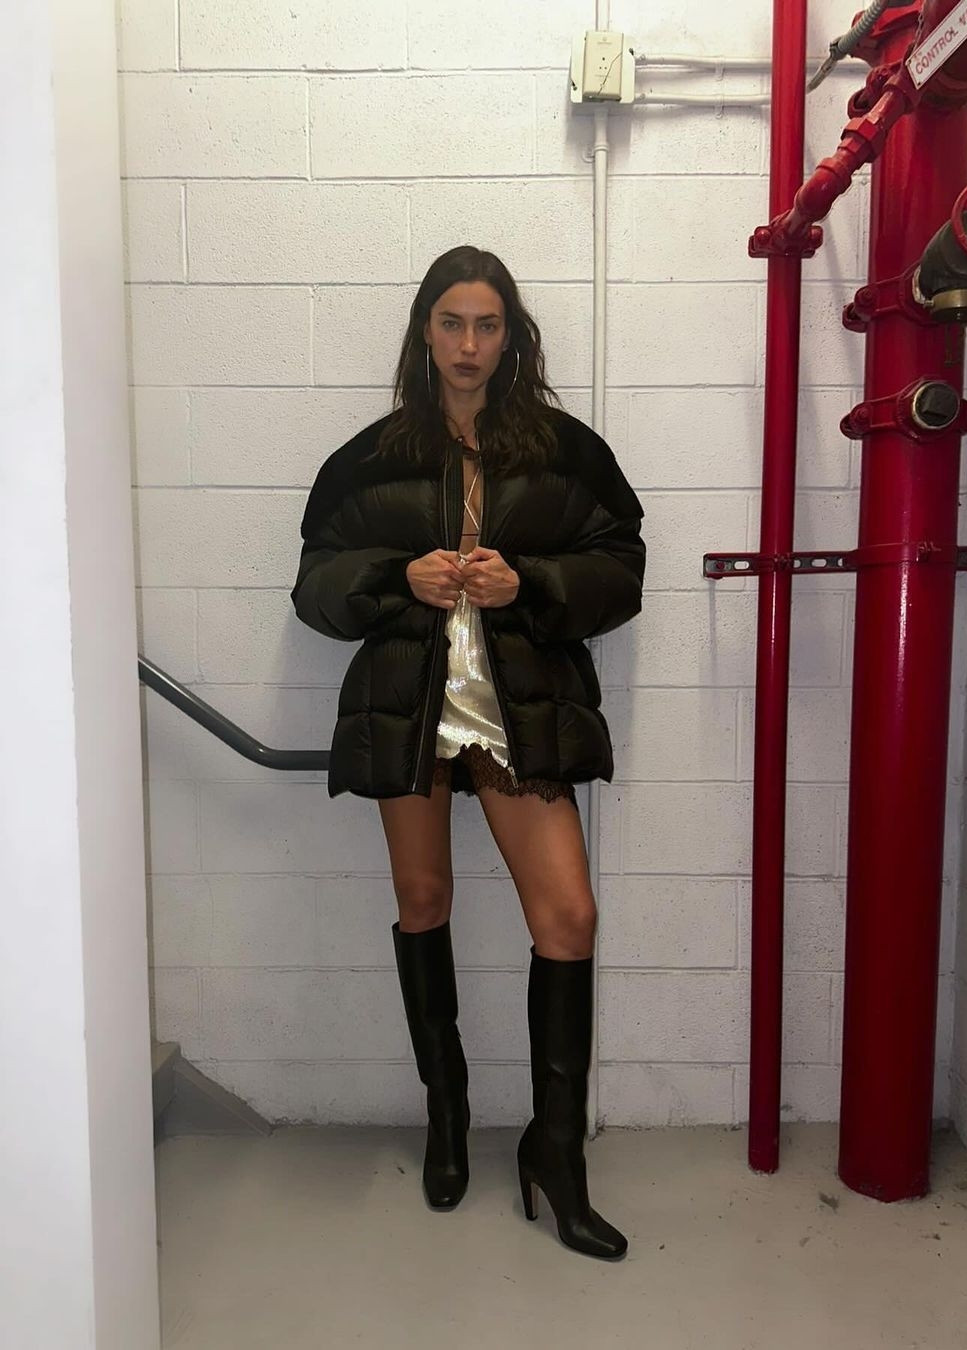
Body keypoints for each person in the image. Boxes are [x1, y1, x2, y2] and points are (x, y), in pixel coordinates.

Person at [290, 245, 645, 1260]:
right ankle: (446, 1115)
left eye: (488, 325)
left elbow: (621, 568)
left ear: (511, 336)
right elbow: (316, 586)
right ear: (424, 332)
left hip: (514, 712)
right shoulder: (369, 459)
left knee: (568, 916)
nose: (469, 345)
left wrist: (527, 583)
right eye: (452, 323)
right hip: (410, 706)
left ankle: (555, 1152)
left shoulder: (566, 451)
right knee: (425, 900)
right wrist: (395, 577)